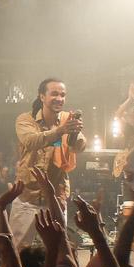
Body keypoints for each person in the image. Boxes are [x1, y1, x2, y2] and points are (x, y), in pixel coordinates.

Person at [11, 79, 86, 248]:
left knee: (59, 250)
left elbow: (80, 147)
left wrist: (75, 133)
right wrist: (60, 131)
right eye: (54, 94)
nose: (59, 98)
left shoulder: (67, 119)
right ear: (42, 96)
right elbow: (31, 141)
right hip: (28, 197)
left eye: (62, 95)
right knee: (18, 249)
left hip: (55, 198)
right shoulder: (26, 119)